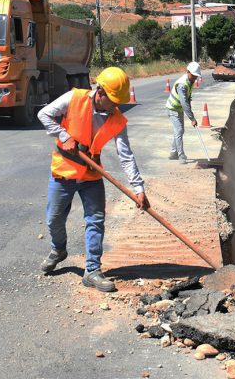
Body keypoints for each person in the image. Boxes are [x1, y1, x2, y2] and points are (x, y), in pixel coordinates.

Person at [37, 67, 150, 293]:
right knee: (54, 219)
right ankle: (58, 249)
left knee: (95, 221)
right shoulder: (74, 98)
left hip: (91, 174)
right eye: (113, 100)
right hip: (64, 172)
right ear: (100, 92)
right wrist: (63, 135)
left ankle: (92, 271)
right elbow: (44, 114)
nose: (117, 105)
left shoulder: (117, 119)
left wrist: (138, 188)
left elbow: (125, 156)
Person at [166, 61, 201, 160]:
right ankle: (181, 155)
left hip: (178, 109)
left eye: (196, 76)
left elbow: (187, 99)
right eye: (193, 75)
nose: (195, 78)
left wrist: (191, 114)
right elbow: (184, 103)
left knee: (179, 131)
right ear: (188, 72)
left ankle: (173, 153)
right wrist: (192, 118)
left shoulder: (190, 81)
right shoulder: (182, 85)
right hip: (172, 108)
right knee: (179, 130)